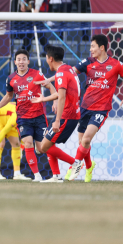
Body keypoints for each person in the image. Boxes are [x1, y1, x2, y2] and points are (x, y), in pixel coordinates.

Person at [36, 34, 123, 182]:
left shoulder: (116, 64)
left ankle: (73, 168)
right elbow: (67, 72)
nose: (90, 50)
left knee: (86, 139)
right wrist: (49, 80)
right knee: (83, 143)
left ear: (102, 47)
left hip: (101, 109)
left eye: (93, 46)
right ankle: (89, 166)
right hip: (85, 107)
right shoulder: (88, 62)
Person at [0, 49, 57, 182]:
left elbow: (50, 87)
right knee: (27, 143)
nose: (21, 62)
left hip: (38, 116)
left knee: (43, 148)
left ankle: (58, 172)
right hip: (23, 117)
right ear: (15, 62)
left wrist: (54, 100)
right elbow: (9, 96)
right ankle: (37, 176)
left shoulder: (37, 74)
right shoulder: (11, 79)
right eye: (18, 59)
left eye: (23, 59)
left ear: (28, 61)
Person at [30, 45, 79, 182]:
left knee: (43, 146)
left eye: (46, 58)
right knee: (48, 142)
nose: (46, 60)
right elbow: (62, 93)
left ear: (50, 59)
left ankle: (75, 163)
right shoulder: (67, 68)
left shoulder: (61, 73)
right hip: (71, 114)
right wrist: (43, 99)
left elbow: (61, 97)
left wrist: (57, 120)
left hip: (66, 116)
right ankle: (56, 176)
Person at [0, 101, 27, 180]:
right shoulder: (16, 115)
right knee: (1, 144)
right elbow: (4, 131)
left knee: (16, 144)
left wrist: (22, 147)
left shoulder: (28, 116)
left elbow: (25, 133)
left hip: (8, 118)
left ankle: (17, 174)